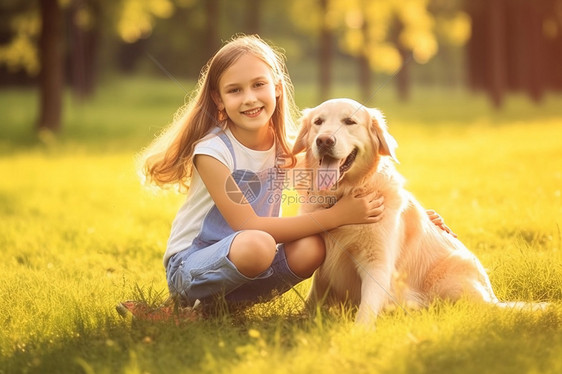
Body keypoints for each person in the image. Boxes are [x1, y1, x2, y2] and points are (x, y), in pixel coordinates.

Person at [124, 35, 453, 319]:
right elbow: (249, 226)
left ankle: (212, 311)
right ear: (218, 100)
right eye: (235, 90)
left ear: (277, 88)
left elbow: (352, 180)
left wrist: (416, 218)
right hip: (191, 268)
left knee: (311, 248)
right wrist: (338, 216)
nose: (250, 98)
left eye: (258, 85)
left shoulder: (286, 151)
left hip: (249, 266)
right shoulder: (213, 152)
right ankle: (179, 308)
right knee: (258, 243)